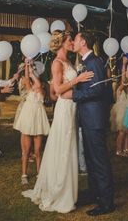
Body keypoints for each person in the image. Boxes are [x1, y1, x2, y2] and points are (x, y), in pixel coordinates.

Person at [23, 30, 93, 213]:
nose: (72, 43)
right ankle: (58, 192)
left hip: (72, 108)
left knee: (70, 147)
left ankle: (69, 191)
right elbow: (59, 90)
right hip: (63, 109)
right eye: (70, 40)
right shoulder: (57, 63)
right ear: (62, 42)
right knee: (63, 147)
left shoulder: (69, 61)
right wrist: (77, 79)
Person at [72, 31, 115, 216]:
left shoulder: (94, 62)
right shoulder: (85, 63)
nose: (73, 42)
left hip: (95, 118)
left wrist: (74, 95)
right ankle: (94, 193)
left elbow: (97, 90)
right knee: (90, 159)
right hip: (88, 118)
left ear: (82, 42)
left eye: (75, 39)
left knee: (99, 160)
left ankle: (107, 203)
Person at [13, 59, 50, 185]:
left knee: (38, 150)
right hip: (28, 118)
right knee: (26, 150)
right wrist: (27, 66)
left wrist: (32, 71)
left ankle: (40, 173)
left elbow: (38, 84)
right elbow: (28, 80)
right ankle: (24, 174)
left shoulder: (41, 88)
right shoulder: (27, 86)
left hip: (38, 118)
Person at [111, 78, 128, 156]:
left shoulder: (126, 91)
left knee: (127, 132)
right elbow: (124, 83)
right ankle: (118, 150)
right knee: (121, 132)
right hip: (121, 112)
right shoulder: (119, 90)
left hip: (126, 111)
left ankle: (125, 148)